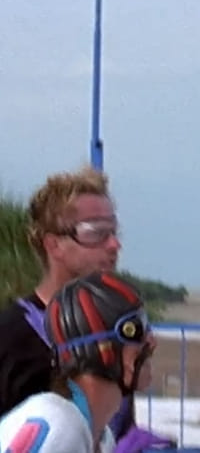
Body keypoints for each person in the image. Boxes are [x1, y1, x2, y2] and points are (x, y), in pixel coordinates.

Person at [0, 167, 172, 452]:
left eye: (114, 231)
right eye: (96, 233)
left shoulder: (109, 328)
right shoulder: (9, 339)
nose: (114, 245)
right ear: (54, 245)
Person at [0, 272, 157, 453]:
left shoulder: (102, 437)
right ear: (100, 349)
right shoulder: (60, 423)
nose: (152, 341)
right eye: (136, 328)